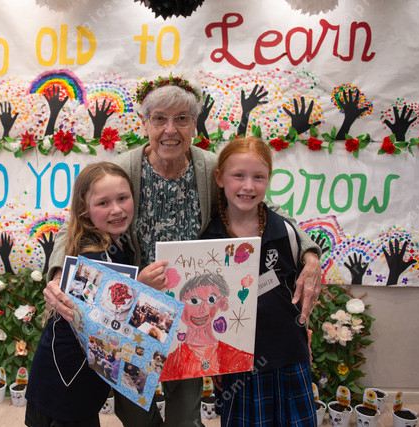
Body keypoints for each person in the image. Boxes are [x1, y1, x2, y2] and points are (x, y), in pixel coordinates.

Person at [43, 75, 322, 427]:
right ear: (144, 123)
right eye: (159, 119)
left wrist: (309, 253)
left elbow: (264, 209)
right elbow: (76, 220)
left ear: (194, 123)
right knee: (135, 414)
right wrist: (58, 273)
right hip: (134, 309)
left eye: (181, 119)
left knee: (185, 414)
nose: (170, 130)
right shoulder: (126, 168)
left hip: (189, 313)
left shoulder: (209, 168)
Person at [25, 161, 166, 427]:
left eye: (123, 198)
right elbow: (100, 315)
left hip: (81, 376)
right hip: (64, 381)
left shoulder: (117, 242)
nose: (117, 209)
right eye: (103, 203)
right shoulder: (91, 252)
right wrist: (140, 285)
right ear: (84, 209)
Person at [203, 136, 317, 426]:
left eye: (258, 177)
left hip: (288, 354)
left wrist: (304, 334)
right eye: (238, 175)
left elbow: (298, 294)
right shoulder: (207, 239)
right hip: (238, 363)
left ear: (269, 180)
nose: (249, 186)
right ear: (220, 178)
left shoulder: (286, 233)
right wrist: (212, 358)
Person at [159, 273, 254, 381]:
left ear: (221, 303)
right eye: (194, 301)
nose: (203, 309)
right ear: (180, 303)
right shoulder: (170, 362)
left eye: (211, 300)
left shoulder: (239, 358)